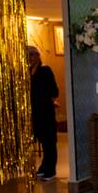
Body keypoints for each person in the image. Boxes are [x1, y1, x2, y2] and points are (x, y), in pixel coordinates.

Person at [27, 45, 59, 181]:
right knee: (42, 139)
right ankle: (44, 166)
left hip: (45, 111)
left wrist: (44, 96)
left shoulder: (45, 70)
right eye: (27, 55)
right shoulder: (29, 71)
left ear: (38, 55)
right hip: (35, 112)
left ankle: (50, 170)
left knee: (49, 141)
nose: (30, 58)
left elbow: (54, 91)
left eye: (32, 54)